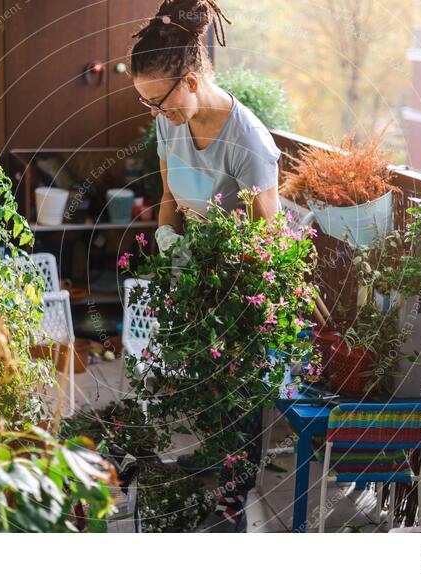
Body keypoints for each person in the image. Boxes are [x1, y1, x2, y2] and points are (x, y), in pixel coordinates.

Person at [128, 0, 280, 532]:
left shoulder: (249, 143)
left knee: (237, 400)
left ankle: (232, 506)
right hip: (192, 274)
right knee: (201, 387)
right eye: (146, 103)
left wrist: (223, 273)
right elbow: (170, 193)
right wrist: (169, 239)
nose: (157, 114)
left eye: (160, 102)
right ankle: (211, 470)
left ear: (190, 81)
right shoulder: (173, 123)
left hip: (240, 289)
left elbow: (271, 240)